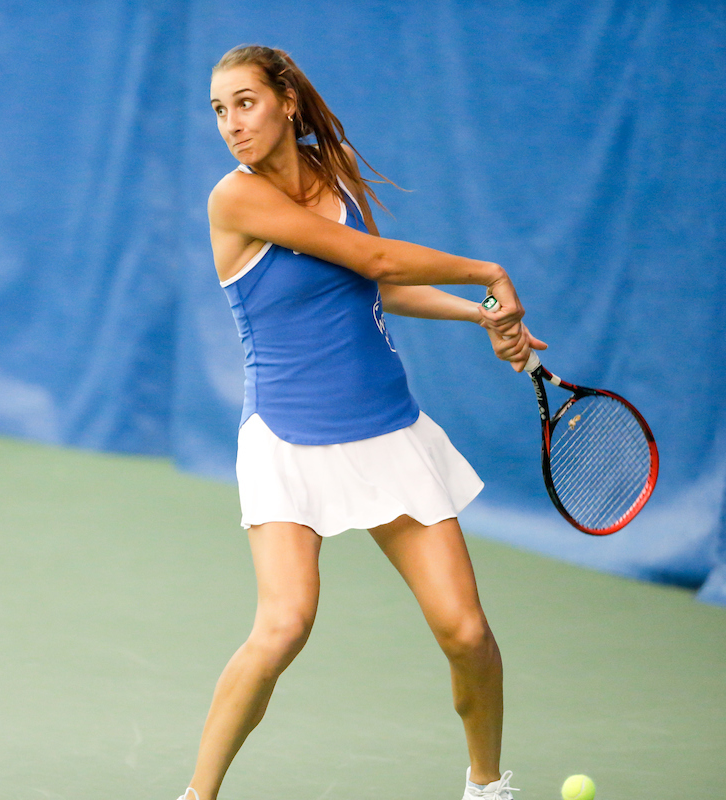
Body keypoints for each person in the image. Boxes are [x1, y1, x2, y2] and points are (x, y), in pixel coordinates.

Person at [177, 45, 546, 800]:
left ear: (284, 99)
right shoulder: (233, 199)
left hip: (386, 430)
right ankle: (197, 797)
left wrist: (478, 316)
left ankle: (485, 786)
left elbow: (370, 287)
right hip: (286, 435)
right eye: (219, 111)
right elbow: (374, 257)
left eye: (244, 102)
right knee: (283, 627)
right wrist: (487, 275)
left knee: (467, 633)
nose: (231, 125)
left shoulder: (333, 168)